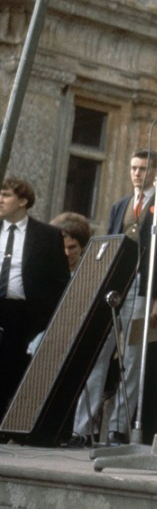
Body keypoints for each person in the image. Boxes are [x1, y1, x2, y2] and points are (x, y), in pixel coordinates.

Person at [69, 149, 157, 447]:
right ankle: (82, 429)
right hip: (113, 290)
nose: (137, 173)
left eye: (144, 168)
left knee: (133, 360)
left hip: (144, 288)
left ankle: (118, 428)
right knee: (97, 355)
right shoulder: (120, 206)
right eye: (133, 167)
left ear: (155, 173)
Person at [0, 178, 70, 415]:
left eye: (6, 195)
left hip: (24, 313)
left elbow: (59, 280)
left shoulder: (47, 235)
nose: (0, 200)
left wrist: (47, 318)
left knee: (14, 368)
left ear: (23, 201)